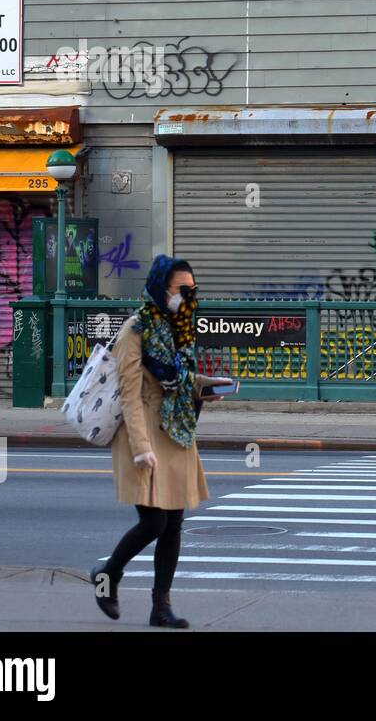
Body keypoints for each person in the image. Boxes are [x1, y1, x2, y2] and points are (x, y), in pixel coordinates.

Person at [90, 255, 223, 628]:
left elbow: (182, 379)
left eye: (192, 290)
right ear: (161, 287)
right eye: (182, 290)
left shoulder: (179, 327)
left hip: (176, 430)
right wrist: (141, 448)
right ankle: (107, 574)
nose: (188, 297)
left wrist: (206, 388)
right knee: (154, 523)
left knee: (175, 523)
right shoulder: (136, 329)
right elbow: (129, 394)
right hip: (144, 431)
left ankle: (160, 606)